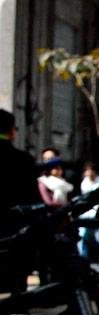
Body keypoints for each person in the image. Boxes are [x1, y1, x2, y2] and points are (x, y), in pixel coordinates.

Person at [0, 109, 40, 292]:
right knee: (17, 296)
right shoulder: (24, 160)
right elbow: (33, 200)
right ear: (11, 132)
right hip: (15, 235)